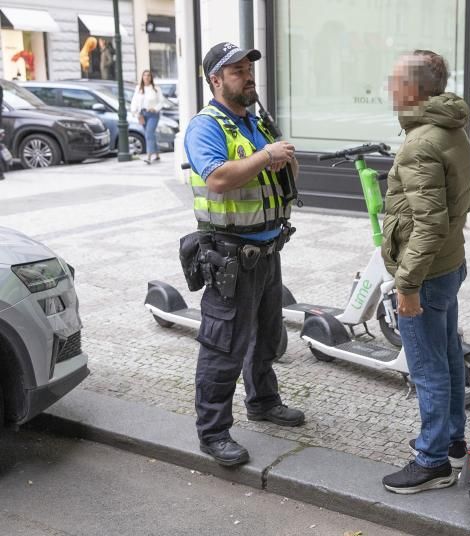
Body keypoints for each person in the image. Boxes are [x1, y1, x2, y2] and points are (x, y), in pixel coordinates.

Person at [183, 42, 303, 467]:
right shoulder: (206, 126)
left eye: (249, 68)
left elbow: (278, 170)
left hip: (267, 250)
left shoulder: (255, 122)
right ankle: (213, 432)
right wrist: (266, 157)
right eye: (236, 71)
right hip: (229, 256)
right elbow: (217, 178)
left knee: (266, 337)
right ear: (216, 80)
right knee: (223, 346)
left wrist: (280, 158)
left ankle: (263, 401)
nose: (248, 76)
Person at [380, 50, 470, 494]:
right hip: (449, 263)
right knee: (450, 357)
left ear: (414, 90)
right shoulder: (451, 127)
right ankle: (453, 442)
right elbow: (464, 199)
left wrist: (407, 283)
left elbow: (429, 222)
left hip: (426, 272)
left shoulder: (421, 142)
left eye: (395, 81)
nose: (389, 88)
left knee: (428, 367)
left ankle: (432, 459)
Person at [130, 70, 165, 163]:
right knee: (150, 134)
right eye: (144, 75)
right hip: (142, 114)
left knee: (149, 133)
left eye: (148, 75)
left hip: (153, 114)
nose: (146, 77)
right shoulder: (138, 88)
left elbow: (162, 101)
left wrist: (155, 108)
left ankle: (149, 156)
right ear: (142, 77)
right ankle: (157, 154)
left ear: (151, 77)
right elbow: (134, 101)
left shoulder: (156, 88)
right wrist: (135, 112)